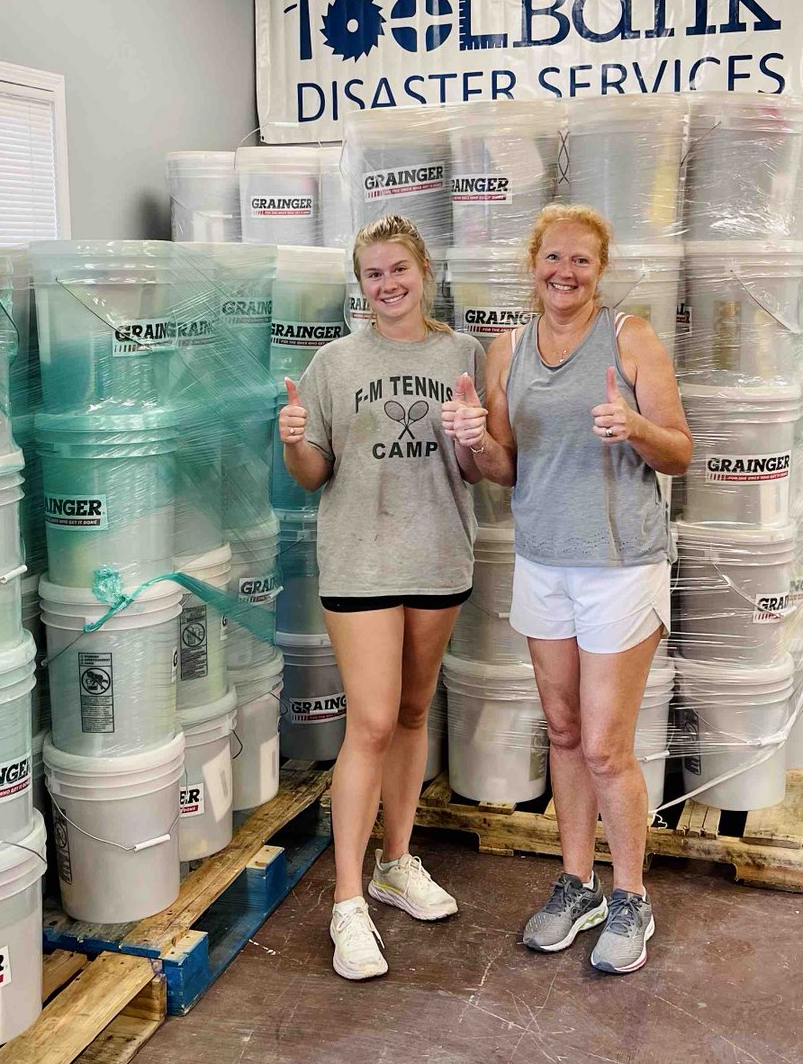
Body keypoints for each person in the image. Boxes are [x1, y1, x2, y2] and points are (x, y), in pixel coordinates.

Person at [445, 202, 691, 975]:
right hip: (543, 560)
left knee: (607, 745)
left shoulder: (631, 338)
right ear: (534, 262)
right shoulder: (506, 350)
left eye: (582, 260)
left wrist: (635, 428)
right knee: (560, 731)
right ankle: (577, 883)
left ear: (601, 269)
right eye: (554, 257)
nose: (565, 272)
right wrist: (473, 441)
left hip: (620, 564)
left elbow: (681, 450)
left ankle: (631, 897)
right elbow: (505, 469)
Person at [279, 214, 485, 981]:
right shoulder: (334, 362)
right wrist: (294, 439)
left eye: (399, 269)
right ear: (359, 283)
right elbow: (313, 475)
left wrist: (472, 433)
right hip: (359, 564)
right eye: (373, 274)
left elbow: (475, 468)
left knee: (409, 712)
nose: (387, 284)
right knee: (368, 723)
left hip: (438, 559)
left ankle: (395, 864)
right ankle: (345, 904)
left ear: (423, 272)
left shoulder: (463, 353)